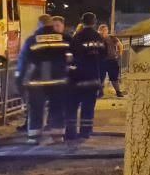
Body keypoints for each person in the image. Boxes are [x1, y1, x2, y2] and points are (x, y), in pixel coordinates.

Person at [16, 13, 71, 144]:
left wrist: (19, 80)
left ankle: (33, 137)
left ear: (39, 25)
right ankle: (57, 136)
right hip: (58, 80)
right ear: (51, 24)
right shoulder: (64, 38)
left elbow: (23, 62)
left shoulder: (32, 40)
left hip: (37, 81)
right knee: (57, 108)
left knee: (36, 108)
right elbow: (71, 58)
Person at [68, 12, 107, 140]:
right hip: (94, 78)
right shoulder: (99, 38)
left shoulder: (77, 37)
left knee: (72, 106)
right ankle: (85, 132)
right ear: (94, 22)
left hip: (78, 78)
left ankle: (71, 133)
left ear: (82, 22)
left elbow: (70, 58)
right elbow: (103, 59)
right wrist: (101, 80)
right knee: (88, 107)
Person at [98, 23, 123, 97]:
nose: (103, 32)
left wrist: (120, 54)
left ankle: (118, 92)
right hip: (101, 61)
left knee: (114, 77)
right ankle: (100, 92)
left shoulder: (112, 37)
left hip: (112, 60)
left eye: (105, 30)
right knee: (100, 77)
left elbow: (120, 45)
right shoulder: (97, 39)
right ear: (99, 31)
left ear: (107, 30)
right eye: (102, 30)